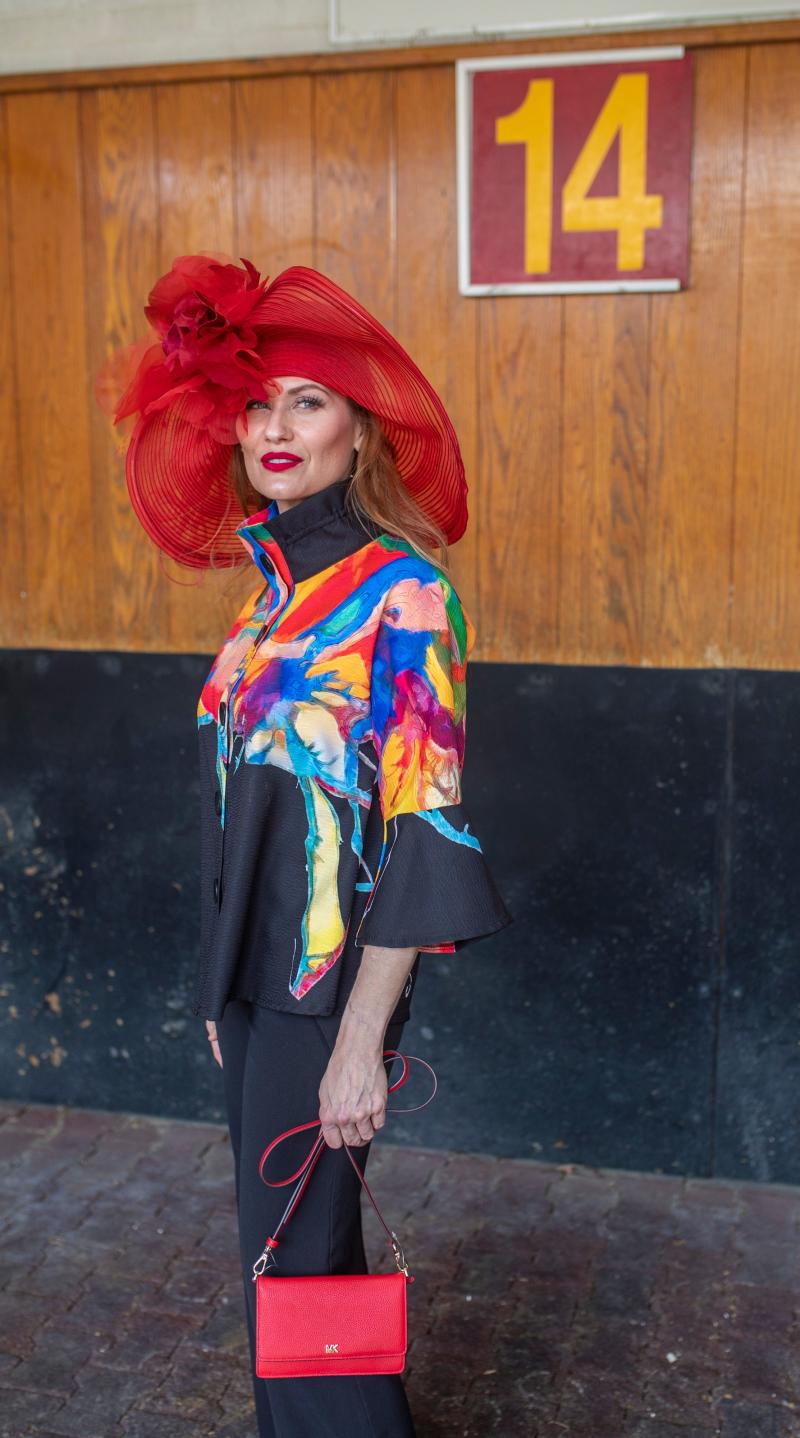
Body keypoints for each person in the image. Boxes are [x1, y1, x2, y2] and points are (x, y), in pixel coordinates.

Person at [99, 253, 512, 1438]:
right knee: (283, 1272)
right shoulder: (266, 596)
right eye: (256, 402)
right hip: (252, 991)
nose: (276, 426)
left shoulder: (405, 595)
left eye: (309, 401)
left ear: (359, 432)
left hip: (325, 998)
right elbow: (239, 814)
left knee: (306, 1273)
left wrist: (357, 1045)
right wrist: (216, 994)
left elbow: (427, 827)